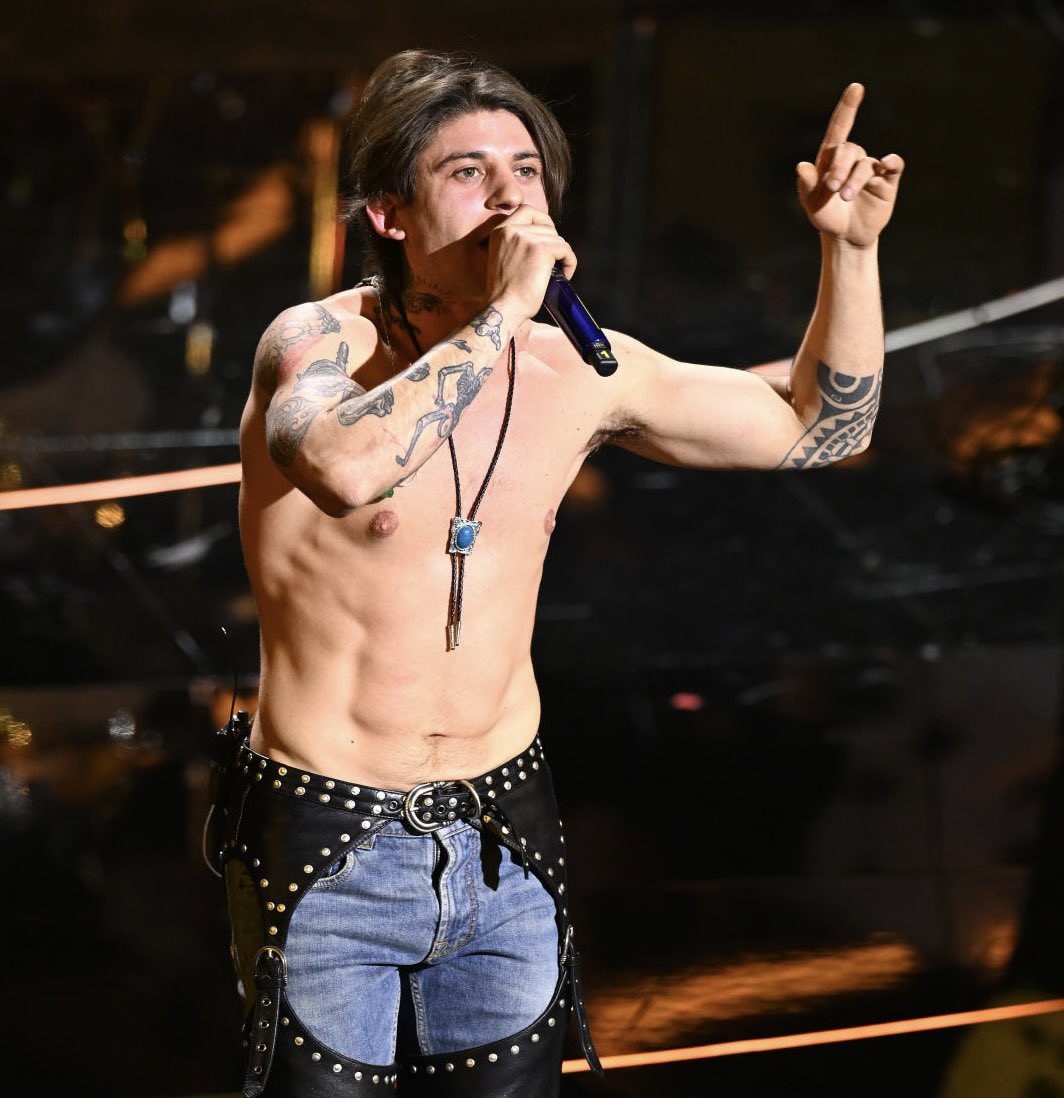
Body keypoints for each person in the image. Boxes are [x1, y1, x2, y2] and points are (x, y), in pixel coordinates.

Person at [208, 48, 904, 1097]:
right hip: (330, 839)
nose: (509, 198)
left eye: (526, 171)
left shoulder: (574, 367)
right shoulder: (315, 341)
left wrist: (849, 252)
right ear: (388, 213)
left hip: (503, 834)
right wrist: (500, 316)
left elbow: (822, 430)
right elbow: (347, 468)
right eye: (468, 172)